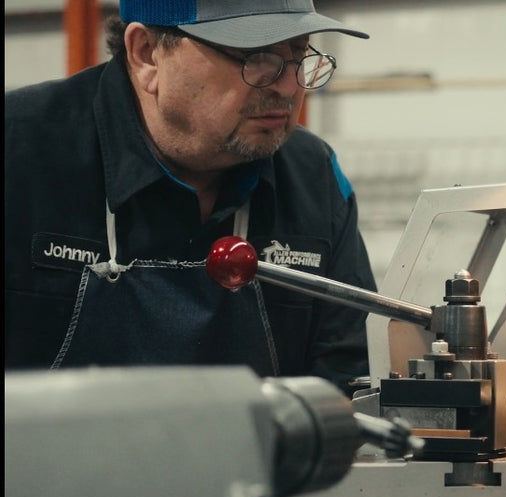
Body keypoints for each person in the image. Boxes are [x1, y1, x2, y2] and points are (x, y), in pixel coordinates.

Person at [4, 0, 377, 396]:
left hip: (255, 457)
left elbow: (351, 382)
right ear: (147, 53)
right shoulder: (19, 154)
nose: (289, 86)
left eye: (298, 53)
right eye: (257, 57)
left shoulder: (312, 176)